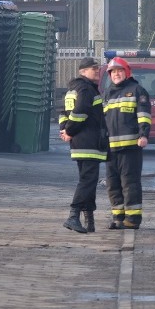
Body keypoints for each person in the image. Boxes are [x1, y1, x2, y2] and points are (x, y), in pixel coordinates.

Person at [59, 57, 108, 234]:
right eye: (92, 68)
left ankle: (89, 220)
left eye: (97, 68)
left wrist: (64, 130)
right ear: (82, 71)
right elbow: (79, 113)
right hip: (89, 142)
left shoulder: (73, 89)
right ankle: (73, 216)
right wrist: (70, 130)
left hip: (79, 142)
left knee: (88, 180)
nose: (97, 71)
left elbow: (63, 112)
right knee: (87, 181)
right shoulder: (86, 89)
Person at [102, 56, 151, 230]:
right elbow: (103, 120)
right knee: (112, 184)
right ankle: (118, 218)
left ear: (127, 72)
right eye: (113, 72)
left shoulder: (137, 90)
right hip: (111, 149)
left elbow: (144, 116)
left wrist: (143, 135)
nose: (116, 74)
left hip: (130, 147)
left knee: (129, 183)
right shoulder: (107, 93)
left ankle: (132, 219)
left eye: (119, 71)